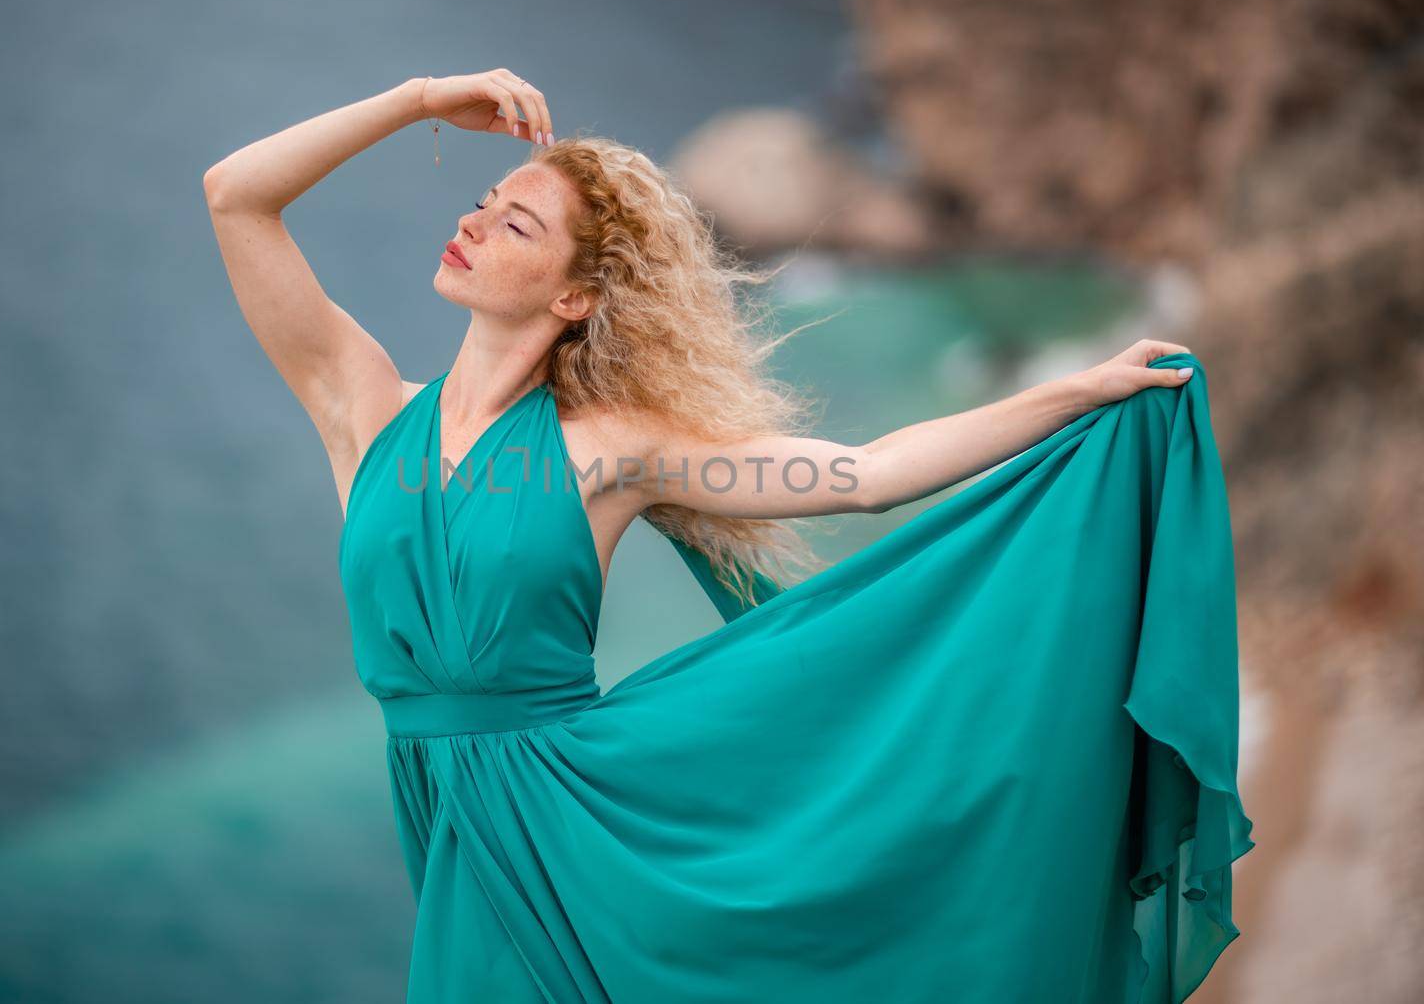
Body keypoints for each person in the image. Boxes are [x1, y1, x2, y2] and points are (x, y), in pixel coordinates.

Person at [204, 69, 1254, 1004]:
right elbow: (235, 195)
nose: (474, 223)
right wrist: (418, 100)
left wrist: (1075, 388)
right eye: (484, 202)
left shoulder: (610, 448)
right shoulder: (363, 409)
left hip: (577, 817)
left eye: (517, 225)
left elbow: (864, 475)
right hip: (445, 809)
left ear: (574, 296)